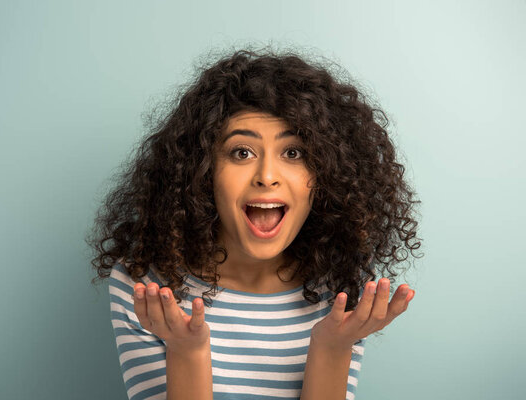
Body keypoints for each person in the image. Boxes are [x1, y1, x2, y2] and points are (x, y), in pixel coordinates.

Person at [87, 45, 422, 400]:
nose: (266, 176)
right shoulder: (147, 284)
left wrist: (332, 347)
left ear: (327, 175)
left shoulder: (339, 286)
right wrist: (188, 352)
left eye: (293, 153)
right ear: (203, 172)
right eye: (241, 152)